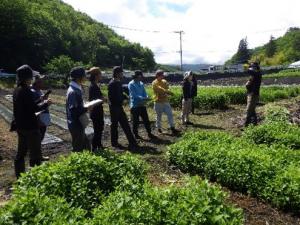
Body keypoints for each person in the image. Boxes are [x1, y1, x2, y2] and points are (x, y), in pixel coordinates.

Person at [13, 65, 52, 178]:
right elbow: (34, 109)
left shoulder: (17, 90)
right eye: (31, 77)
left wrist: (40, 99)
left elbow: (28, 105)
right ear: (27, 78)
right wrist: (46, 103)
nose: (32, 79)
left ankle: (19, 177)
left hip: (21, 126)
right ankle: (36, 178)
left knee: (21, 153)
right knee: (35, 155)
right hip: (30, 127)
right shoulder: (26, 90)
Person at [108, 66, 138, 149]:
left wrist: (125, 97)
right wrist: (122, 100)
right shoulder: (112, 83)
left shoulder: (117, 82)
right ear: (117, 74)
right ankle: (114, 143)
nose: (122, 74)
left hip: (118, 107)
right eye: (121, 73)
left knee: (125, 124)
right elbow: (112, 98)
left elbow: (120, 94)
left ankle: (132, 141)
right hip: (114, 108)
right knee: (114, 125)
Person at [66, 67, 91, 152]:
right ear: (78, 78)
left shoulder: (76, 88)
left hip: (76, 123)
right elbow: (74, 111)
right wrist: (86, 108)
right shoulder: (73, 91)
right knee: (78, 149)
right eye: (84, 76)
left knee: (85, 145)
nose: (85, 77)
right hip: (76, 124)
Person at [128, 70, 155, 139]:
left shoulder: (141, 83)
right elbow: (134, 95)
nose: (141, 77)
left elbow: (144, 92)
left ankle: (149, 133)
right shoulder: (131, 84)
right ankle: (136, 134)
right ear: (137, 76)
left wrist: (146, 96)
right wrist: (144, 98)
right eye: (140, 75)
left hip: (142, 105)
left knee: (146, 120)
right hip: (135, 105)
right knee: (135, 121)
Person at [31, 73, 51, 161]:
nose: (43, 83)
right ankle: (37, 156)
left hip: (43, 116)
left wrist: (45, 99)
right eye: (41, 82)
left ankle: (37, 155)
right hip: (40, 117)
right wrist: (39, 120)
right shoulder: (33, 92)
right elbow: (35, 108)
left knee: (40, 137)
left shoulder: (38, 91)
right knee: (38, 137)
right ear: (37, 83)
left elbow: (40, 102)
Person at [152, 70, 177, 134]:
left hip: (165, 101)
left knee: (170, 114)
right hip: (158, 101)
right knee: (158, 116)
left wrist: (168, 90)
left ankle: (172, 127)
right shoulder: (154, 82)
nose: (163, 76)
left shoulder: (164, 81)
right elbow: (159, 89)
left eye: (163, 75)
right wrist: (168, 92)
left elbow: (168, 87)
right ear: (157, 75)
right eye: (161, 75)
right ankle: (159, 128)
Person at [88, 67, 104, 151]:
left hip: (98, 111)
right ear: (96, 75)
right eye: (100, 74)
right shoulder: (93, 86)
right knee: (97, 130)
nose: (101, 75)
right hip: (96, 111)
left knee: (99, 128)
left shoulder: (95, 85)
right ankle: (94, 148)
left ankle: (99, 145)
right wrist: (102, 99)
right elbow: (94, 100)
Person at [245, 62, 262, 126]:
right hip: (250, 94)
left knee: (249, 110)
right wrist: (247, 85)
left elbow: (249, 71)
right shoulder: (253, 75)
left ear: (256, 67)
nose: (252, 68)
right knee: (252, 110)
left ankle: (246, 125)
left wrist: (247, 67)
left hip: (253, 95)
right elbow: (248, 85)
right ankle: (255, 123)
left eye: (253, 66)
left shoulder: (258, 74)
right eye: (252, 66)